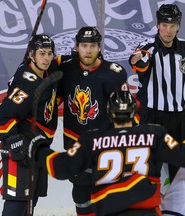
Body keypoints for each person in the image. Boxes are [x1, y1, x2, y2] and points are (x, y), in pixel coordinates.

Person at [27, 90, 185, 216]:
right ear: (135, 113)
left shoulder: (91, 139)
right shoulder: (153, 133)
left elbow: (59, 168)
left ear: (109, 113)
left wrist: (38, 148)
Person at [50, 26, 128, 216]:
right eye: (84, 45)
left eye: (92, 46)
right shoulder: (64, 66)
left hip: (105, 144)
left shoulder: (114, 73)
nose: (88, 50)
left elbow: (127, 112)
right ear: (77, 47)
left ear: (99, 47)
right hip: (75, 142)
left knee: (107, 194)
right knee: (80, 194)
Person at [128, 4, 185, 182]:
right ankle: (149, 207)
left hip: (180, 117)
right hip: (153, 116)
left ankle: (176, 208)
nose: (168, 30)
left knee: (179, 170)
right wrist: (137, 61)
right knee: (149, 166)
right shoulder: (148, 46)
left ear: (179, 26)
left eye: (172, 25)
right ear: (158, 25)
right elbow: (140, 62)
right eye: (164, 25)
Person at [0, 34, 61, 216]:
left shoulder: (49, 69)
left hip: (38, 146)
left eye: (49, 53)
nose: (47, 58)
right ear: (32, 55)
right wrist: (14, 141)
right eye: (41, 53)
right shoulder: (26, 84)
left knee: (31, 201)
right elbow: (1, 117)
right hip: (21, 149)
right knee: (17, 202)